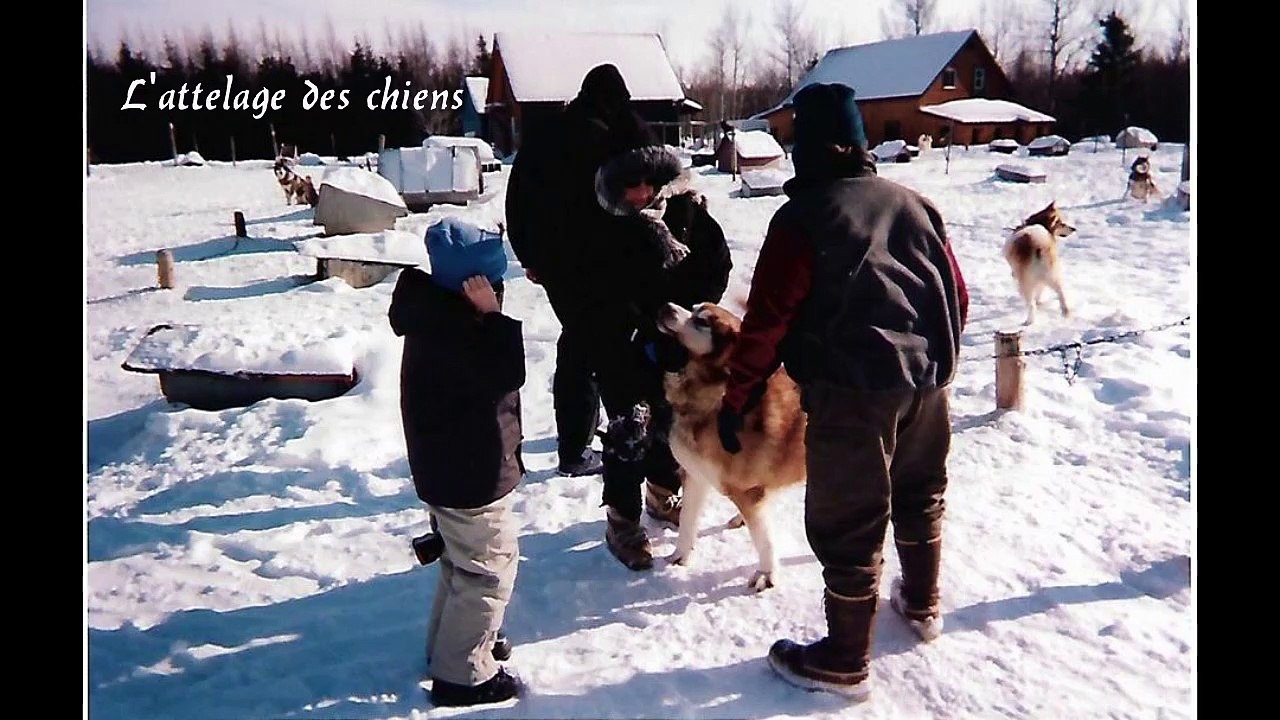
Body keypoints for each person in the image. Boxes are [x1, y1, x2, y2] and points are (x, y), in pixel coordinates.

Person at [715, 83, 969, 699]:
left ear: (811, 145)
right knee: (918, 489)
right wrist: (933, 359)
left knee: (849, 516)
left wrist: (736, 397)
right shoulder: (915, 204)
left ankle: (845, 660)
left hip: (851, 388)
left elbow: (769, 319)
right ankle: (922, 601)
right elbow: (956, 293)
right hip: (926, 380)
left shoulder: (803, 216)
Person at [388, 217, 526, 707]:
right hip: (471, 476)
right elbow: (508, 372)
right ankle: (462, 676)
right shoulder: (461, 329)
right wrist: (492, 317)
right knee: (487, 571)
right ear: (475, 285)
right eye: (495, 284)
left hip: (448, 469)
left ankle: (455, 648)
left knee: (460, 564)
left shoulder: (433, 312)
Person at [506, 63, 655, 479]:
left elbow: (517, 198)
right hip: (601, 267)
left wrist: (529, 257)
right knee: (604, 354)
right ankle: (620, 444)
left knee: (578, 346)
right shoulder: (614, 136)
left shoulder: (546, 134)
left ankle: (576, 444)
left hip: (557, 268)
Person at [587, 143, 732, 567]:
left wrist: (689, 313)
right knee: (628, 430)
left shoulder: (687, 213)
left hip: (677, 343)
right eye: (630, 186)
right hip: (623, 345)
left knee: (673, 426)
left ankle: (662, 493)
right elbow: (594, 290)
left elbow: (716, 265)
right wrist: (638, 318)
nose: (641, 193)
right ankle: (622, 519)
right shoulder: (604, 227)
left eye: (647, 183)